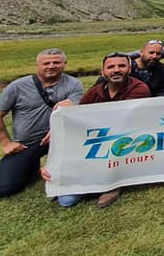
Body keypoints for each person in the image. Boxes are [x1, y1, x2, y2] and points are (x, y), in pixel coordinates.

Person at [41, 53, 151, 208]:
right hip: (99, 143)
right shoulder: (96, 91)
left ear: (130, 68)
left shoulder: (140, 89)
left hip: (126, 143)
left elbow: (120, 119)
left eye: (121, 66)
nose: (116, 70)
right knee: (66, 201)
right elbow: (79, 117)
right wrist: (60, 126)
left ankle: (114, 184)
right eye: (111, 67)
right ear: (103, 72)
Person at [0, 48, 83, 199]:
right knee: (2, 188)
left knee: (78, 173)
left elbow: (76, 108)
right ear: (37, 65)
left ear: (65, 64)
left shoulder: (74, 84)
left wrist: (69, 107)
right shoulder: (17, 86)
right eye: (46, 63)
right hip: (27, 143)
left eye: (56, 62)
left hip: (62, 140)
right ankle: (31, 169)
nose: (51, 66)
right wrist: (6, 143)